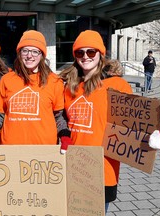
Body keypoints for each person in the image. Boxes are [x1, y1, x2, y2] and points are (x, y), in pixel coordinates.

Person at [59, 30, 133, 213]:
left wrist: (156, 135)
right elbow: (59, 118)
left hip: (103, 167)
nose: (85, 57)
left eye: (91, 52)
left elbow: (135, 123)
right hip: (72, 165)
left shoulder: (117, 85)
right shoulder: (69, 86)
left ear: (101, 54)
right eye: (80, 52)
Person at [0, 30, 72, 154]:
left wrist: (64, 134)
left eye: (35, 51)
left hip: (44, 152)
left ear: (42, 55)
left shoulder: (54, 81)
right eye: (25, 50)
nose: (29, 56)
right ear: (19, 53)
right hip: (11, 151)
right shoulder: (7, 80)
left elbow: (58, 117)